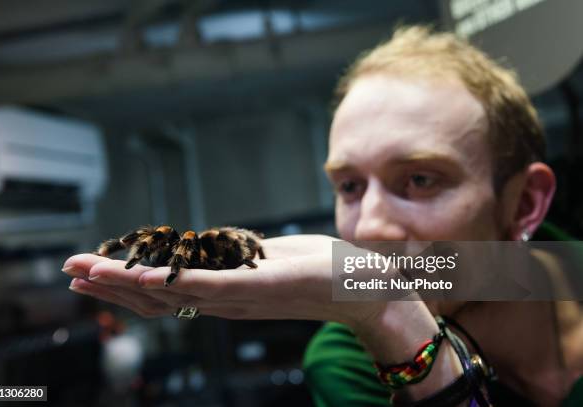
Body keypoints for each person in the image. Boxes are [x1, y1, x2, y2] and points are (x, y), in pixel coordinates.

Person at [63, 26, 583, 406]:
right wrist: (387, 314)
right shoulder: (349, 355)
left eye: (420, 179)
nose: (371, 227)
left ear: (524, 203)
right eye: (350, 186)